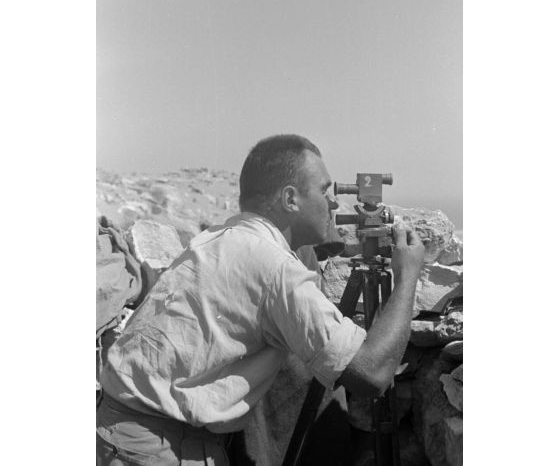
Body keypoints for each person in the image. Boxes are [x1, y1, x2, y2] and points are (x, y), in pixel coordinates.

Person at [96, 134, 425, 466]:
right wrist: (407, 275)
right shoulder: (274, 267)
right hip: (156, 446)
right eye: (324, 190)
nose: (334, 203)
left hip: (124, 427)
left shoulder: (223, 236)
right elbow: (372, 374)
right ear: (290, 199)